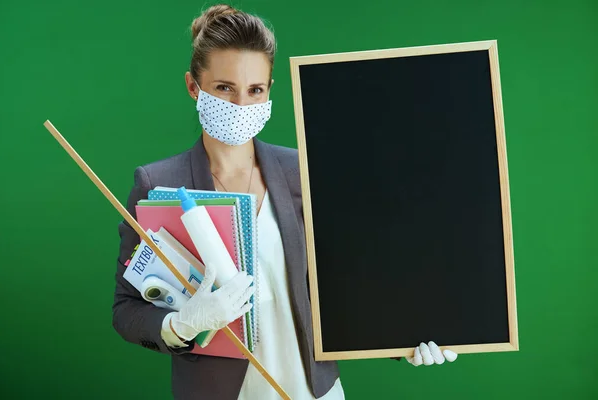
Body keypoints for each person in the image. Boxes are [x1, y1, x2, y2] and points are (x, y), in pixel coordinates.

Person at [112, 4, 457, 400]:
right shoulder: (159, 184)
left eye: (255, 90)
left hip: (315, 393)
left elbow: (350, 284)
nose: (241, 105)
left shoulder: (302, 172)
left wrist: (405, 341)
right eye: (224, 87)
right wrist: (180, 326)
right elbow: (126, 309)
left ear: (270, 89)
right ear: (194, 86)